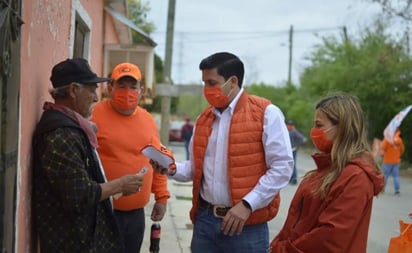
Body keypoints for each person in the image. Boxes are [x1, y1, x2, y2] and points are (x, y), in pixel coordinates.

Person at [152, 52, 294, 253]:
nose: (207, 90)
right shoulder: (204, 119)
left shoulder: (266, 113)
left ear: (233, 81)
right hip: (205, 222)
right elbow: (195, 168)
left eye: (212, 82)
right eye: (204, 84)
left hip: (246, 227)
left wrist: (247, 204)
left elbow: (282, 168)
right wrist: (170, 167)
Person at [32, 58, 144, 252]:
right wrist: (120, 184)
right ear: (74, 90)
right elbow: (80, 195)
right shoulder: (61, 134)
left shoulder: (73, 127)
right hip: (71, 242)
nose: (95, 97)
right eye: (92, 90)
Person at [270, 94, 384, 253]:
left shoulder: (356, 177)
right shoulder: (327, 168)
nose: (314, 131)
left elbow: (329, 239)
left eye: (319, 125)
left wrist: (281, 249)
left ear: (342, 127)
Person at [91, 62, 170, 253]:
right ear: (110, 87)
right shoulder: (93, 115)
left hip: (135, 216)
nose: (127, 92)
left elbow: (158, 160)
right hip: (102, 213)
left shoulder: (148, 120)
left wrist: (162, 197)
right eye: (121, 85)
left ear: (141, 90)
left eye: (133, 86)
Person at [380, 129, 404, 196]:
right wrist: (398, 155)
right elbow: (402, 150)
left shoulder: (387, 138)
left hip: (387, 160)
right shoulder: (400, 140)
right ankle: (397, 190)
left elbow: (382, 147)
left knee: (385, 175)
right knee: (396, 176)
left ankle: (382, 189)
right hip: (396, 161)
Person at [286, 119, 306, 185]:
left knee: (292, 165)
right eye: (288, 125)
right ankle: (290, 179)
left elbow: (303, 139)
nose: (289, 126)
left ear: (292, 126)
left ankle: (294, 179)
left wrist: (297, 146)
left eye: (290, 125)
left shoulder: (294, 132)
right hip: (288, 150)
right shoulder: (287, 131)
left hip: (293, 150)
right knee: (289, 165)